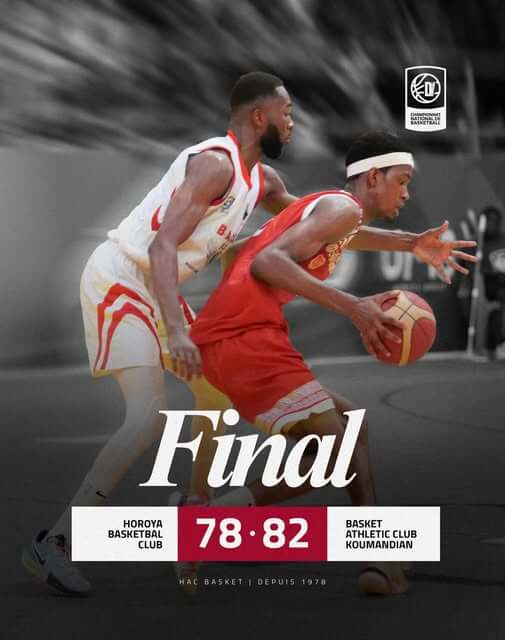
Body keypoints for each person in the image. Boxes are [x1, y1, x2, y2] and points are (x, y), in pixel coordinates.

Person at [22, 71, 298, 596]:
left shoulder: (262, 181)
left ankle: (196, 519)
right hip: (121, 279)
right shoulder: (215, 164)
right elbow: (162, 246)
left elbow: (324, 220)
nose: (293, 122)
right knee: (147, 415)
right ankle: (54, 542)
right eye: (286, 112)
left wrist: (407, 242)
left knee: (217, 395)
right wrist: (177, 329)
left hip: (157, 287)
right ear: (259, 116)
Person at [180, 130, 477, 595]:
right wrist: (353, 306)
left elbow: (344, 237)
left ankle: (370, 555)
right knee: (338, 447)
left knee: (350, 428)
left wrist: (410, 243)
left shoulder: (335, 210)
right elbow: (266, 262)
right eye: (402, 180)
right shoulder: (343, 209)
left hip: (239, 338)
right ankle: (212, 526)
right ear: (373, 177)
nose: (406, 192)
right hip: (244, 339)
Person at [480, 206, 505, 358]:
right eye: (488, 221)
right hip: (489, 285)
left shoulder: (503, 240)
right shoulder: (478, 243)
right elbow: (476, 272)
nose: (491, 224)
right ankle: (500, 344)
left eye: (494, 221)